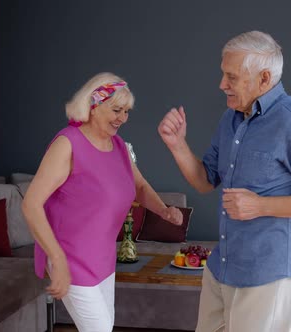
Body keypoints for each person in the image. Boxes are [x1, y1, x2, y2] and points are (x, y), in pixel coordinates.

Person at [158, 31, 291, 332]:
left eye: (231, 77)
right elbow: (205, 181)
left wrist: (260, 205)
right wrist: (177, 145)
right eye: (223, 74)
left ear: (263, 79)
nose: (222, 84)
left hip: (267, 276)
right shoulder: (231, 119)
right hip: (221, 268)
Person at [22, 72, 183, 332]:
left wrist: (163, 211)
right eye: (116, 109)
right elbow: (30, 204)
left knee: (104, 326)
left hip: (102, 258)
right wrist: (57, 259)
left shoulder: (118, 146)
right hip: (70, 256)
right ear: (93, 106)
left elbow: (139, 186)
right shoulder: (68, 144)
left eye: (127, 111)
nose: (122, 118)